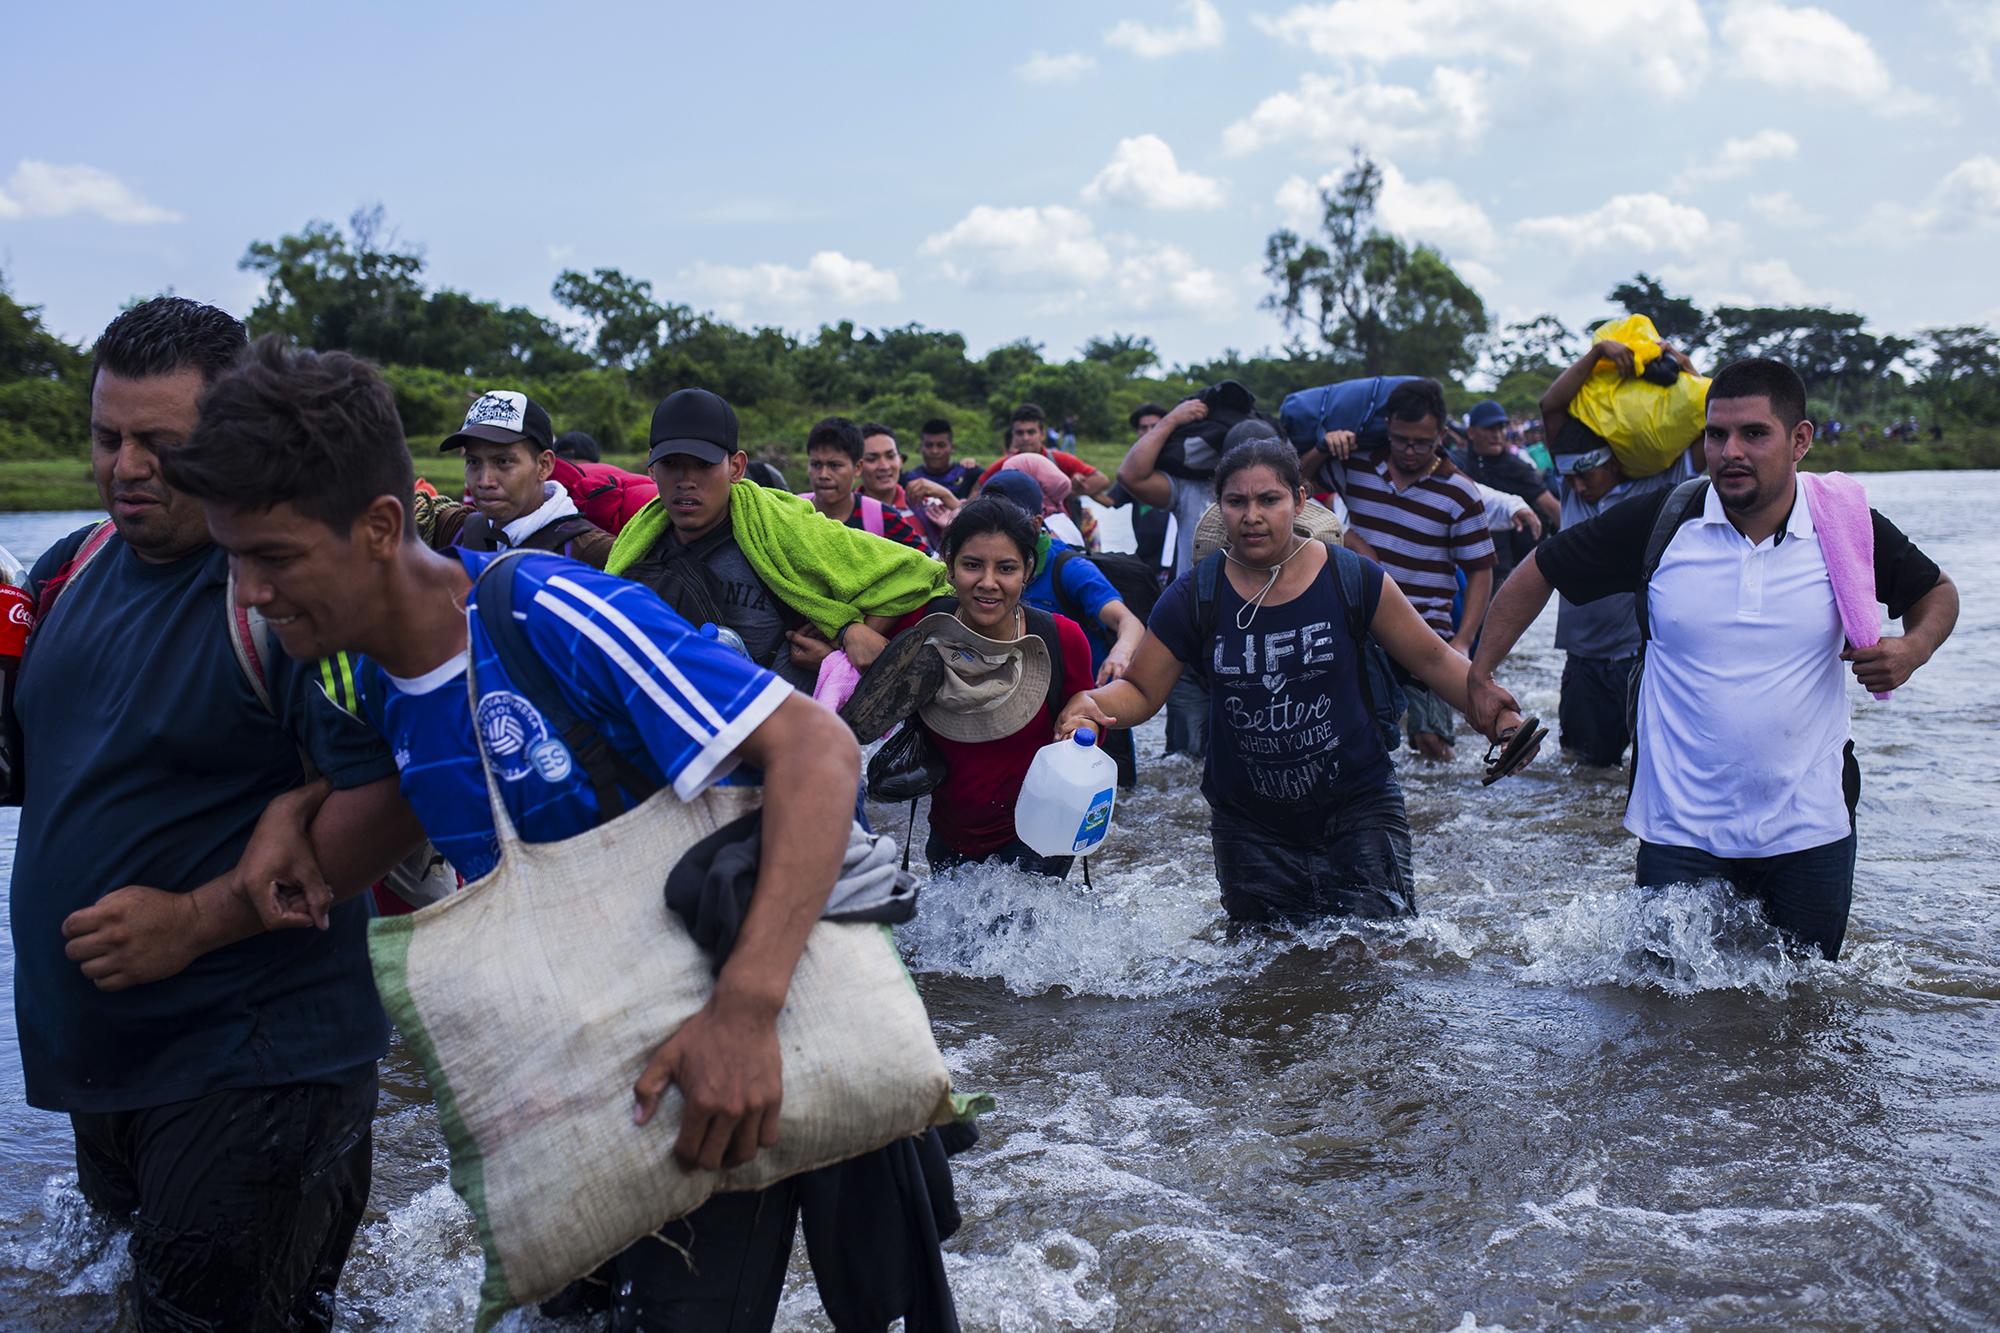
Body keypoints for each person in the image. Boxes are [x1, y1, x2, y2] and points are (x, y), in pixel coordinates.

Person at [160, 335, 960, 1333]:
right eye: (235, 558)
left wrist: (746, 1014)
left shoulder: (544, 609)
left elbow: (817, 754)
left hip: (765, 1012)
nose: (251, 593)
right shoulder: (366, 679)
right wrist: (289, 815)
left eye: (274, 557)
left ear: (377, 525)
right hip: (628, 1077)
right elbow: (384, 795)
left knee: (885, 1311)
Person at [10, 299, 424, 1331]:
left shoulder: (283, 591)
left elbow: (395, 794)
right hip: (110, 1058)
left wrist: (197, 919)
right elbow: (60, 760)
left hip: (257, 1062)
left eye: (163, 443)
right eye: (108, 437)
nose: (127, 468)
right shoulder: (75, 566)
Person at [1469, 358, 1959, 961]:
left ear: (1800, 440)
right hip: (1680, 832)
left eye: (1754, 434)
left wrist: (1912, 649)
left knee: (1806, 1015)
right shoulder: (1665, 520)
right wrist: (1480, 674)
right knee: (1666, 1018)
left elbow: (1937, 593)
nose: (1730, 451)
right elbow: (1539, 570)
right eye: (1716, 434)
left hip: (1811, 830)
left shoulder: (1845, 527)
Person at [1058, 438, 1533, 923]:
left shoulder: (1353, 579)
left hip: (1358, 808)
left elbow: (1434, 660)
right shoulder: (1194, 594)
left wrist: (1496, 714)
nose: (1252, 515)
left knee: (1376, 957)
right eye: (1237, 501)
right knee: (1265, 969)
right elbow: (1141, 690)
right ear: (1220, 508)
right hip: (1249, 823)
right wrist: (1091, 704)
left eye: (1269, 499)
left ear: (1300, 501)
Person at [612, 390, 950, 692]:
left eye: (702, 464)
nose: (686, 480)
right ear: (651, 468)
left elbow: (913, 573)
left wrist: (845, 642)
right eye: (671, 464)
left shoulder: (786, 529)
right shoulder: (639, 543)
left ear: (736, 467)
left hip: (785, 732)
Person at [889, 497, 1095, 879]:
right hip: (949, 837)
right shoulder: (920, 627)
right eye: (972, 565)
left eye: (1006, 568)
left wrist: (1086, 728)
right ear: (949, 567)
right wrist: (848, 636)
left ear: (1027, 571)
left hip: (1040, 840)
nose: (988, 583)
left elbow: (1087, 733)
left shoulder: (1062, 640)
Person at [1301, 378, 1497, 760]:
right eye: (1401, 440)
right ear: (1386, 427)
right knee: (1354, 740)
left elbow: (1480, 571)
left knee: (1432, 743)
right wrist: (1323, 448)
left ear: (1441, 434)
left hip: (1429, 635)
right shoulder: (1356, 465)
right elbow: (1297, 487)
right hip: (1360, 629)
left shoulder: (1459, 491)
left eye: (1422, 442)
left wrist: (1463, 641)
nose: (1410, 451)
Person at [1534, 343, 1697, 766]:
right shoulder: (1574, 491)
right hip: (1584, 664)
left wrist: (1686, 369)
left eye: (1587, 475)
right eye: (1572, 479)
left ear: (1616, 461)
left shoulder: (1659, 483)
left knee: (1652, 769)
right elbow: (1550, 407)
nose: (1580, 487)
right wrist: (1595, 354)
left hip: (1645, 661)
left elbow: (1699, 421)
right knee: (1584, 770)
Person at [984, 469, 1146, 789]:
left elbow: (1127, 621)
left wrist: (1121, 653)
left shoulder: (1069, 568)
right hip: (1026, 712)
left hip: (1091, 711)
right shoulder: (980, 576)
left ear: (1035, 523)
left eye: (1007, 526)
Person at [441, 390, 614, 567]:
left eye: (503, 461)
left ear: (544, 465)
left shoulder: (595, 553)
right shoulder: (458, 530)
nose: (485, 481)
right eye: (473, 462)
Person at [1457, 399, 1559, 582]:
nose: (1497, 435)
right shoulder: (1458, 464)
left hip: (1503, 568)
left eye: (1501, 428)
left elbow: (1551, 506)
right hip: (1460, 565)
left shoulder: (1518, 468)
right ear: (1471, 432)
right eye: (1489, 429)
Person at [802, 416, 932, 553]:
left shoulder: (886, 517)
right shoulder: (792, 510)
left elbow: (933, 566)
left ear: (858, 467)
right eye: (816, 464)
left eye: (834, 465)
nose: (823, 475)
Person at [904, 417, 980, 498]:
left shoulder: (969, 474)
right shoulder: (909, 479)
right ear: (920, 448)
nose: (935, 451)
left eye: (941, 445)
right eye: (929, 445)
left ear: (952, 448)